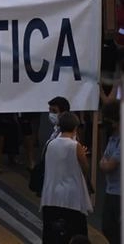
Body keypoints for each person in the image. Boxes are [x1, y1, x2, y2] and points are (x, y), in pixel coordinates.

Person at [41, 111, 92, 243]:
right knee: (74, 233)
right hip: (71, 198)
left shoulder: (50, 144)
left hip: (51, 195)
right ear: (75, 128)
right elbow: (85, 168)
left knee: (52, 235)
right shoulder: (75, 146)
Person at [99, 102, 121, 242]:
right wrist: (105, 163)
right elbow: (103, 161)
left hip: (120, 193)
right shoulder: (113, 139)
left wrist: (105, 163)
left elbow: (108, 165)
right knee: (108, 227)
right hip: (111, 190)